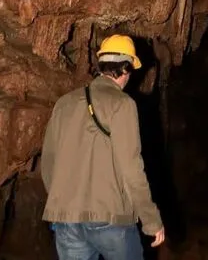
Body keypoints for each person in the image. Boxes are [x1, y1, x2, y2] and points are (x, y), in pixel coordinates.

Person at [41, 34, 165, 260]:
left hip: (67, 220)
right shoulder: (122, 104)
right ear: (126, 68)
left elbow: (48, 161)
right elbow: (131, 168)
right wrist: (151, 219)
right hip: (110, 220)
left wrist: (64, 201)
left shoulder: (64, 103)